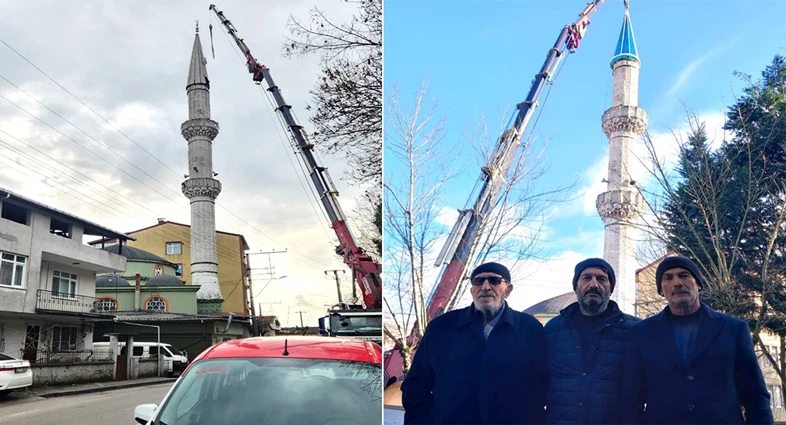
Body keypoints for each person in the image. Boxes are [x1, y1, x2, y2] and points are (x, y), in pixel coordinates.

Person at [621, 256, 773, 424]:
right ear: (661, 290)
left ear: (698, 284)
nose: (677, 283)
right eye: (668, 278)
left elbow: (755, 394)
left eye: (684, 275)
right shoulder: (640, 334)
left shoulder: (733, 329)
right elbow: (630, 399)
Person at [401, 262, 548, 424]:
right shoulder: (442, 327)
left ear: (508, 289)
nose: (485, 286)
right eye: (478, 281)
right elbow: (416, 385)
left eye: (494, 280)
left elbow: (541, 386)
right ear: (472, 290)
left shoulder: (529, 329)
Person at [544, 258, 640, 424]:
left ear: (611, 289)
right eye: (586, 278)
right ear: (576, 287)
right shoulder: (553, 329)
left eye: (602, 279)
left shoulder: (634, 331)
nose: (594, 285)